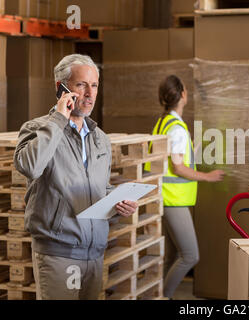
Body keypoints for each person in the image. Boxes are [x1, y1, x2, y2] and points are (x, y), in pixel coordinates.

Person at [14, 54, 138, 300]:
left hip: (94, 253)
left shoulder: (100, 138)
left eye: (94, 85)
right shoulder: (37, 129)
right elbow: (29, 166)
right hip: (58, 253)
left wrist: (119, 201)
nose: (90, 94)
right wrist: (59, 119)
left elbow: (98, 188)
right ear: (61, 88)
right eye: (82, 85)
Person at [145, 75, 225, 299]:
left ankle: (155, 295)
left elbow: (173, 160)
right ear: (182, 95)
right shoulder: (177, 128)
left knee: (172, 256)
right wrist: (207, 176)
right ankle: (163, 298)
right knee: (190, 256)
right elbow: (178, 168)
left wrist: (193, 148)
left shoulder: (163, 123)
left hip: (165, 197)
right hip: (174, 200)